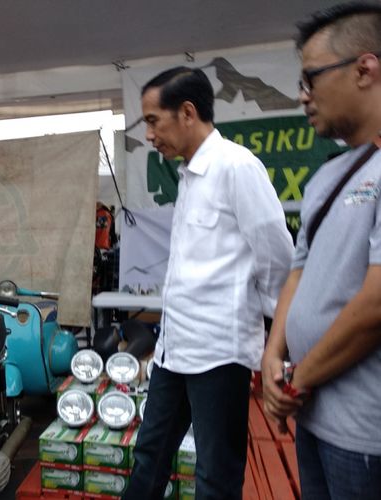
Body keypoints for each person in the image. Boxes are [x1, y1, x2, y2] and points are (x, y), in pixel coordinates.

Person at [124, 67, 293, 499]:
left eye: (152, 120)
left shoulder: (236, 167)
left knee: (215, 475)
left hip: (219, 354)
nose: (149, 135)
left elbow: (276, 255)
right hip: (175, 350)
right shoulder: (189, 175)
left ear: (186, 112)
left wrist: (277, 336)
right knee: (149, 460)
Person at [261, 3, 381, 497]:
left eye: (311, 78)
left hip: (365, 435)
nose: (303, 96)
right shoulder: (329, 175)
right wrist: (272, 357)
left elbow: (375, 306)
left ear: (364, 68)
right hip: (312, 416)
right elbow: (298, 272)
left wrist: (294, 381)